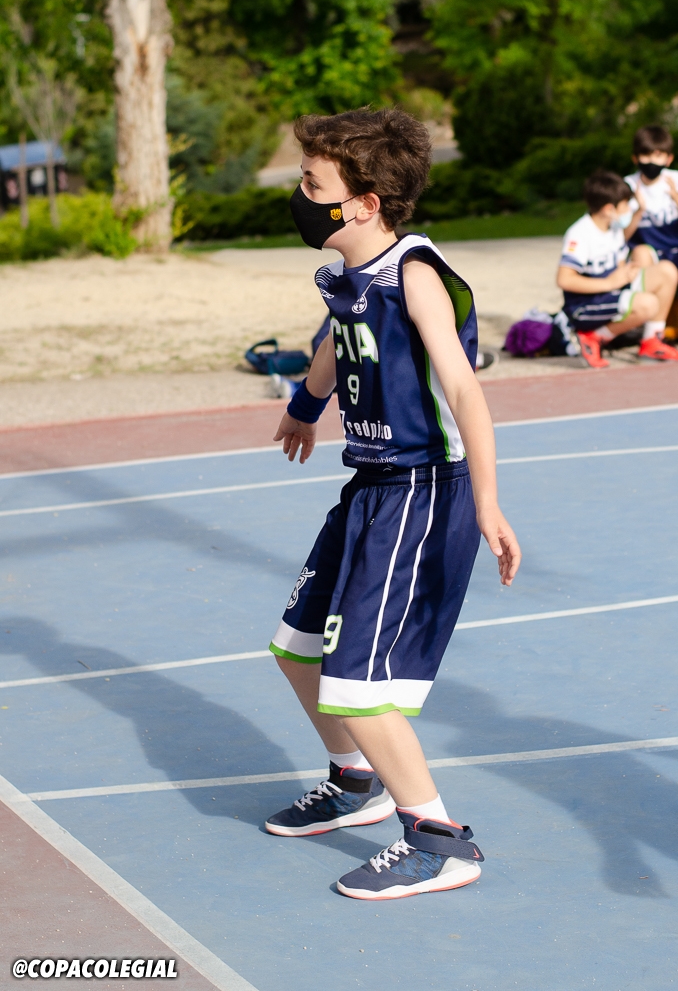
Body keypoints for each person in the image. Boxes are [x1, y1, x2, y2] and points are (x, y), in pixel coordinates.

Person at [263, 108, 521, 901]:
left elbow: (465, 392)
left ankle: (440, 839)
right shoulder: (351, 276)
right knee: (296, 649)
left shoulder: (414, 274)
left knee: (357, 686)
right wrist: (305, 407)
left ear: (364, 203)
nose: (300, 195)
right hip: (370, 487)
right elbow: (333, 340)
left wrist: (488, 504)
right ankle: (355, 782)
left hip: (423, 492)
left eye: (313, 184)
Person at [557, 169, 678, 368]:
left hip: (611, 292)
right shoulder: (580, 234)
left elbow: (620, 259)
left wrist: (627, 273)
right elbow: (564, 279)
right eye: (626, 205)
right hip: (585, 305)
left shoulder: (612, 227)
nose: (628, 209)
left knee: (666, 271)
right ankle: (594, 337)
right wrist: (609, 283)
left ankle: (652, 341)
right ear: (608, 209)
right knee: (648, 303)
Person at [624, 125, 678, 268]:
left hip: (675, 249)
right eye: (646, 155)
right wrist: (639, 211)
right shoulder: (626, 187)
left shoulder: (675, 180)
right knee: (641, 253)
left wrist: (676, 197)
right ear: (635, 158)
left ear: (669, 159)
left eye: (658, 155)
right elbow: (620, 237)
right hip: (648, 255)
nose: (652, 161)